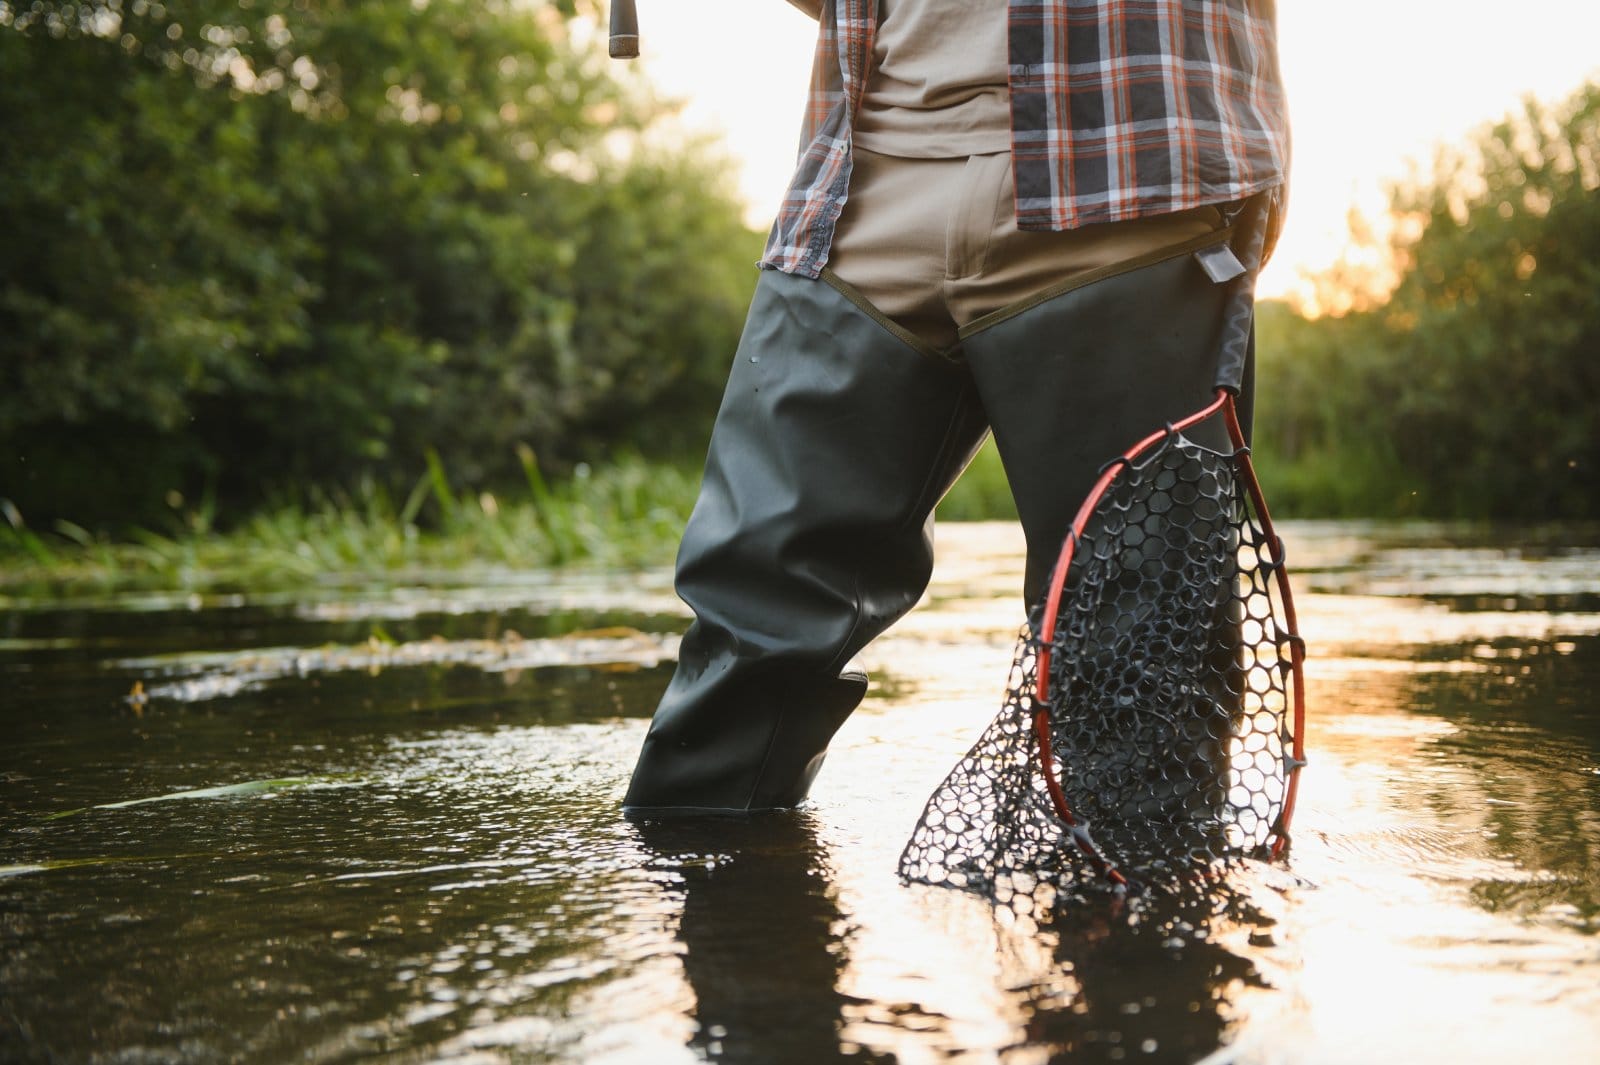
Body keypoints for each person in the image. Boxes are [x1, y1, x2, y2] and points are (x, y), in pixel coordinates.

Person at [622, 0, 1288, 812]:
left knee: (1137, 682)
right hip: (857, 182)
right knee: (740, 654)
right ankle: (716, 921)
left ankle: (1140, 936)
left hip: (1128, 165)